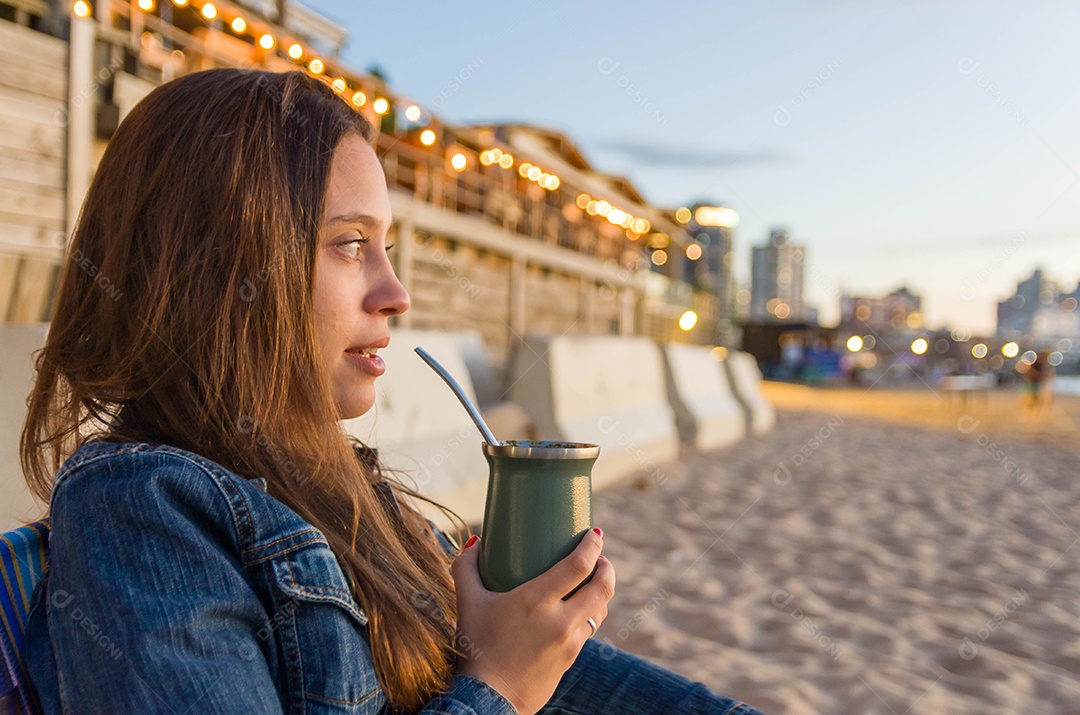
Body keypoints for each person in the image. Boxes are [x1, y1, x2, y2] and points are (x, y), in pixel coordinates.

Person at [19, 68, 765, 714]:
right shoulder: (142, 505)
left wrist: (533, 642)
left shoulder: (346, 492)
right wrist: (500, 683)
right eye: (349, 243)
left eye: (388, 248)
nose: (396, 293)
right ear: (218, 269)